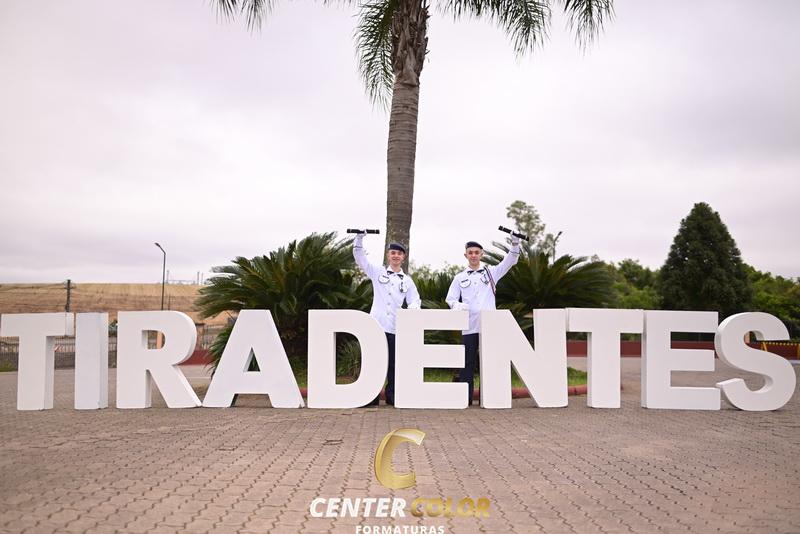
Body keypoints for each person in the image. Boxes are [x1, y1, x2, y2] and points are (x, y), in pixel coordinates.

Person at [446, 238, 520, 405]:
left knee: (491, 361)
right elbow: (450, 299)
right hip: (469, 326)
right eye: (470, 253)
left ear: (482, 254)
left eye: (476, 252)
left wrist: (515, 245)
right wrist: (458, 306)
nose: (473, 255)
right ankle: (465, 398)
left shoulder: (491, 272)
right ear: (465, 255)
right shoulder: (459, 277)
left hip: (489, 327)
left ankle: (490, 397)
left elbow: (510, 261)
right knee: (467, 362)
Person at [353, 232, 421, 406]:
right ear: (388, 255)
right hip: (376, 325)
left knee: (393, 363)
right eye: (393, 253)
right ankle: (371, 397)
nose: (396, 256)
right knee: (373, 361)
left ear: (403, 257)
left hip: (395, 327)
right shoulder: (377, 272)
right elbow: (360, 259)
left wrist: (412, 309)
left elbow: (415, 300)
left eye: (399, 253)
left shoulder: (407, 281)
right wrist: (359, 239)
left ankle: (392, 396)